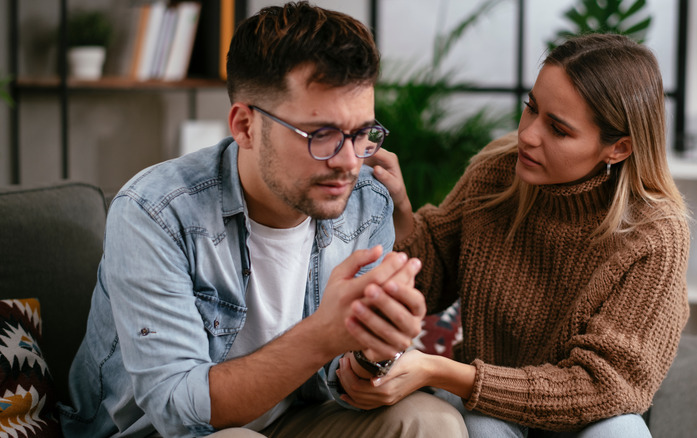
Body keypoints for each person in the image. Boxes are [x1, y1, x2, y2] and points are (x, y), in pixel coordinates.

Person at [58, 2, 466, 437]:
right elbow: (177, 409)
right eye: (322, 135)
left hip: (297, 416)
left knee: (432, 422)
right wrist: (324, 335)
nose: (349, 162)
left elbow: (342, 376)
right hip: (163, 432)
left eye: (362, 133)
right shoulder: (155, 212)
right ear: (245, 126)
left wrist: (374, 353)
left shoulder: (366, 199)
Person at [342, 33, 691, 437]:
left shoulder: (654, 234)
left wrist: (437, 369)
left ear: (619, 148)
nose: (527, 135)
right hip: (487, 406)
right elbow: (428, 283)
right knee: (484, 425)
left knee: (620, 433)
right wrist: (400, 207)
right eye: (532, 108)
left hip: (586, 416)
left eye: (558, 129)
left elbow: (603, 387)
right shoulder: (498, 173)